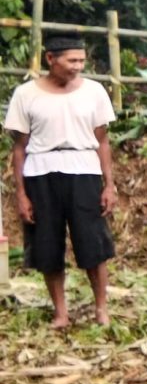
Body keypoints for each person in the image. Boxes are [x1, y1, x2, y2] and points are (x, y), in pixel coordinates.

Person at [5, 32, 117, 328]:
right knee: (47, 245)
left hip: (84, 170)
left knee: (93, 243)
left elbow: (103, 141)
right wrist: (21, 194)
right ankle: (60, 312)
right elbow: (19, 148)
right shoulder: (26, 94)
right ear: (51, 59)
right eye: (71, 60)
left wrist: (109, 184)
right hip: (41, 173)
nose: (77, 66)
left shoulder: (94, 91)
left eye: (81, 60)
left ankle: (101, 308)